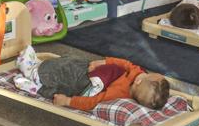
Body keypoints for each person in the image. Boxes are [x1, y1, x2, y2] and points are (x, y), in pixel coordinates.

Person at [13, 45, 170, 110]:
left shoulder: (118, 92)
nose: (144, 71)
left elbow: (93, 102)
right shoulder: (138, 73)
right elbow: (125, 63)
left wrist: (68, 102)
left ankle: (31, 71)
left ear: (138, 81)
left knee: (66, 69)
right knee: (71, 61)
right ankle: (38, 87)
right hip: (97, 72)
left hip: (86, 84)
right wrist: (104, 61)